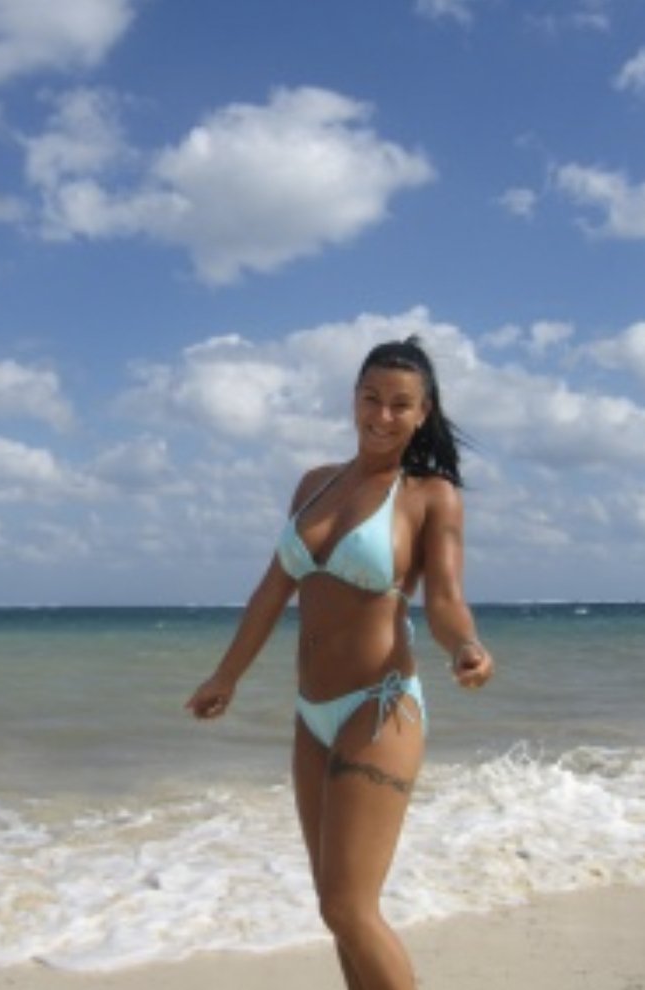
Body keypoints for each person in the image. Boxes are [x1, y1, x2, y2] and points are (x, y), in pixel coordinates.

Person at [186, 336, 494, 990]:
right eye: (370, 398)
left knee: (349, 907)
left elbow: (444, 601)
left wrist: (465, 647)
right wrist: (226, 675)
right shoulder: (314, 485)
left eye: (400, 405)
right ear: (353, 399)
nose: (382, 416)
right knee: (337, 911)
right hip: (312, 714)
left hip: (380, 709)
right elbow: (272, 590)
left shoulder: (430, 495)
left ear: (423, 413)